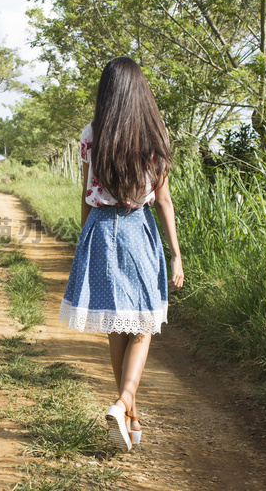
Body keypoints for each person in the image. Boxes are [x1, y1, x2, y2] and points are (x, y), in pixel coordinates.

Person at [58, 56, 184, 452]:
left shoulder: (92, 133)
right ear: (140, 91)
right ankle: (124, 402)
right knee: (143, 324)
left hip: (99, 229)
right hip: (136, 228)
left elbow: (85, 194)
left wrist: (83, 240)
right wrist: (176, 254)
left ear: (107, 92)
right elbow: (162, 199)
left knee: (118, 324)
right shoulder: (155, 134)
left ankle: (129, 413)